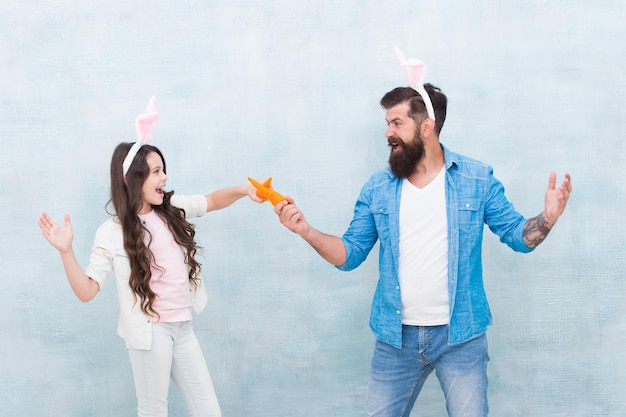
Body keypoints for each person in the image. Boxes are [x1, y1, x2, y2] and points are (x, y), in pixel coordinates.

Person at [273, 82, 572, 416]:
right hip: (394, 340)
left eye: (397, 123)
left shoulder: (476, 179)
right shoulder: (378, 188)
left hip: (461, 339)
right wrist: (306, 231)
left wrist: (547, 218)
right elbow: (350, 254)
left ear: (427, 127)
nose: (388, 132)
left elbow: (518, 236)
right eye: (387, 123)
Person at [38, 101, 263, 417]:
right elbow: (87, 291)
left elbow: (211, 201)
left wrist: (243, 190)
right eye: (156, 171)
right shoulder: (111, 232)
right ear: (134, 179)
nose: (165, 178)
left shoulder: (171, 211)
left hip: (183, 326)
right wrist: (66, 251)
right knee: (154, 411)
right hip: (150, 333)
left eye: (163, 170)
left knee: (209, 411)